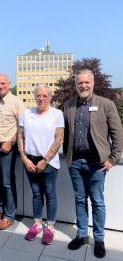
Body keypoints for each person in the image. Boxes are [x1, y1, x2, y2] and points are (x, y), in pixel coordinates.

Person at [63, 69, 123, 258]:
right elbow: (62, 133)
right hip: (75, 162)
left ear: (93, 82)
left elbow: (118, 133)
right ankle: (82, 235)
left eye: (87, 82)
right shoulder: (68, 105)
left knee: (97, 201)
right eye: (80, 83)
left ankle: (98, 239)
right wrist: (67, 156)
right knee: (80, 200)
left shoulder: (106, 104)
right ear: (76, 85)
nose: (83, 86)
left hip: (97, 163)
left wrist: (113, 159)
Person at [18, 85, 64, 245]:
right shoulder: (27, 113)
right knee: (36, 193)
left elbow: (59, 139)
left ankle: (50, 227)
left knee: (50, 193)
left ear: (49, 97)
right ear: (35, 96)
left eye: (44, 95)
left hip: (49, 162)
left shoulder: (57, 114)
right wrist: (24, 158)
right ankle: (37, 224)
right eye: (38, 95)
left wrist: (45, 160)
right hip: (30, 160)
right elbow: (20, 137)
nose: (41, 98)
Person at [0, 74, 25, 230]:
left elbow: (23, 126)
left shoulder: (16, 102)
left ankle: (9, 215)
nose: (0, 86)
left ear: (9, 84)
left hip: (8, 147)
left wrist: (11, 141)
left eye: (3, 83)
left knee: (7, 182)